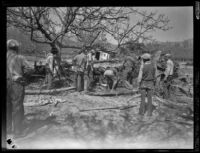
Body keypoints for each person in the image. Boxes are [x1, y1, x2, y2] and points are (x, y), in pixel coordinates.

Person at [7, 39, 33, 137]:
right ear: (17, 48)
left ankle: (8, 129)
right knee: (17, 107)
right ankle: (17, 132)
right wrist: (24, 77)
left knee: (7, 106)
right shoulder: (20, 57)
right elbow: (30, 69)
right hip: (16, 84)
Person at [137, 53, 156, 119]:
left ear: (144, 60)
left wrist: (138, 85)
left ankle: (141, 113)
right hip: (151, 83)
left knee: (142, 99)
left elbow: (139, 77)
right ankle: (149, 113)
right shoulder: (153, 66)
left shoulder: (142, 66)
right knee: (150, 99)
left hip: (143, 83)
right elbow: (154, 76)